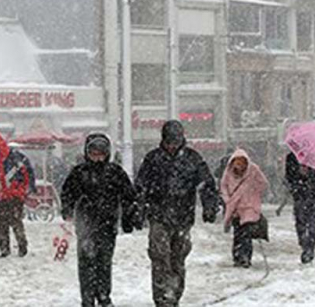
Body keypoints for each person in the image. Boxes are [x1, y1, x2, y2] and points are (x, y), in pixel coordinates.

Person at [134, 120, 218, 307]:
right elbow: (140, 187)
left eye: (175, 141)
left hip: (183, 217)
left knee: (178, 258)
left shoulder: (192, 159)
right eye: (169, 141)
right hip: (159, 216)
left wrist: (209, 206)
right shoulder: (153, 159)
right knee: (159, 256)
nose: (172, 146)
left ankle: (174, 294)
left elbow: (206, 184)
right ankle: (162, 296)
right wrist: (139, 211)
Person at [61, 133, 136, 307]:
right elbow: (67, 194)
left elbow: (128, 196)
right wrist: (68, 212)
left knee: (104, 263)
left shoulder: (115, 172)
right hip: (85, 224)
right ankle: (87, 299)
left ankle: (104, 295)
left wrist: (128, 217)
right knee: (86, 263)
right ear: (87, 153)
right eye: (93, 153)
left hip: (107, 225)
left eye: (101, 153)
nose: (97, 157)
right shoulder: (79, 172)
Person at [0, 132, 36, 258]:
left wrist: (24, 189)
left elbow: (28, 173)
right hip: (4, 196)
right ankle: (6, 249)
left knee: (14, 222)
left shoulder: (14, 158)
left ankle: (21, 246)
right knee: (4, 224)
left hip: (13, 196)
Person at [219, 148, 268, 268]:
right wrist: (228, 200)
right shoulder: (228, 172)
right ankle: (237, 257)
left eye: (242, 161)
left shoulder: (253, 170)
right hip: (235, 208)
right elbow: (223, 187)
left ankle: (245, 257)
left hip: (249, 207)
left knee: (246, 233)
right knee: (238, 233)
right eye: (237, 161)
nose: (239, 164)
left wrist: (253, 192)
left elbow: (263, 184)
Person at [285, 151, 315, 264]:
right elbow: (289, 176)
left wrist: (311, 175)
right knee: (301, 223)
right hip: (300, 195)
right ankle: (304, 244)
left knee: (313, 224)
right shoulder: (291, 157)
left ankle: (309, 250)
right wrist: (299, 176)